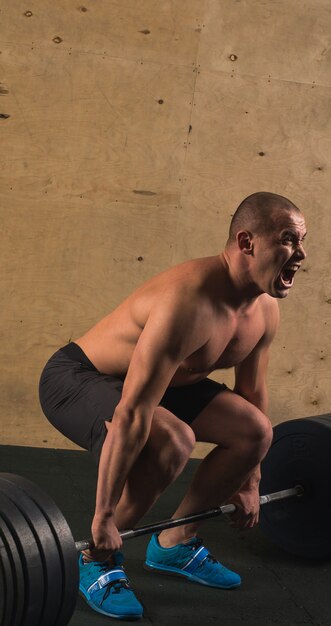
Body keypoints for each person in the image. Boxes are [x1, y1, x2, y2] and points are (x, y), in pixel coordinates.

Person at [39, 191, 307, 620]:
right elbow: (132, 413)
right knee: (172, 440)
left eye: (302, 241)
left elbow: (252, 393)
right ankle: (96, 560)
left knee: (255, 431)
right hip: (82, 377)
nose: (301, 253)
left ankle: (175, 543)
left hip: (166, 384)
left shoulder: (265, 310)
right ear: (246, 243)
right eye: (289, 240)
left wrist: (250, 479)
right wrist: (104, 515)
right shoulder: (188, 303)